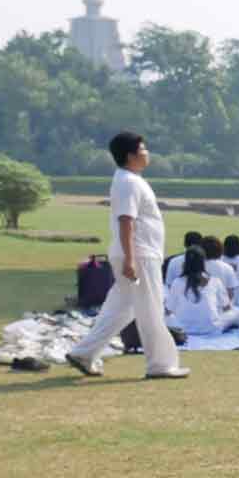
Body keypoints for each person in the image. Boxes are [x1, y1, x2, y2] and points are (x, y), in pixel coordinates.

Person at [66, 132, 186, 379]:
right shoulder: (128, 182)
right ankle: (161, 365)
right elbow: (126, 221)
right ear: (131, 156)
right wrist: (131, 259)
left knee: (122, 308)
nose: (147, 153)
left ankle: (84, 353)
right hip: (140, 255)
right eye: (143, 149)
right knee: (151, 309)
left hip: (136, 254)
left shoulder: (130, 179)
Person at [165, 247, 239, 334]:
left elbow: (169, 310)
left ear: (185, 263)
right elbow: (226, 308)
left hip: (183, 328)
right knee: (237, 312)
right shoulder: (215, 281)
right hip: (211, 328)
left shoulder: (177, 282)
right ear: (203, 262)